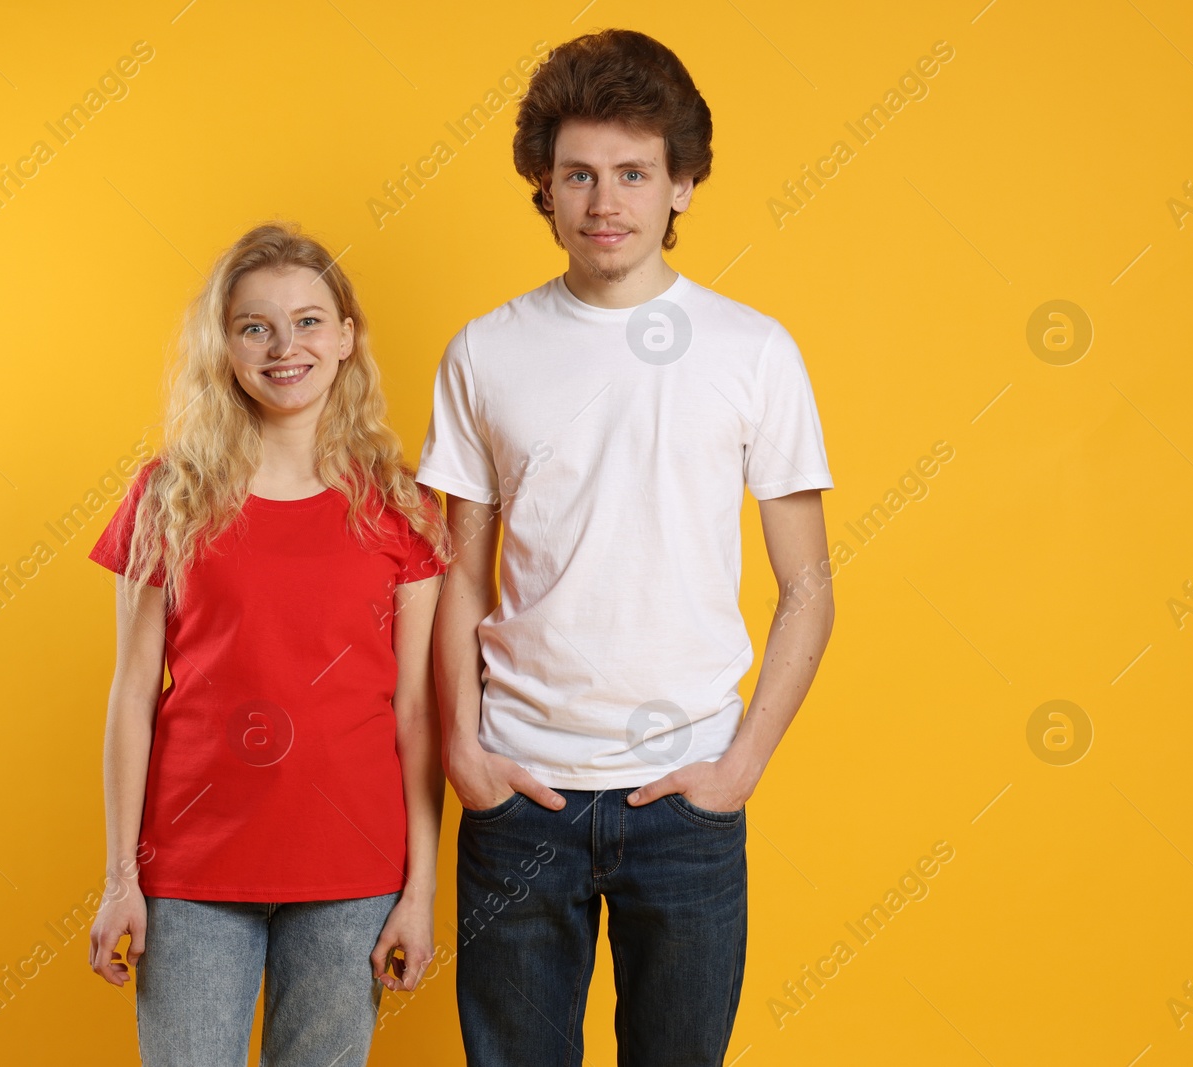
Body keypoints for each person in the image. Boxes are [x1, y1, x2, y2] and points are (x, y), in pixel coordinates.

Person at [415, 29, 837, 1067]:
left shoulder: (753, 351)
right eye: (579, 175)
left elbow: (809, 584)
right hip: (522, 798)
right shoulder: (485, 350)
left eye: (634, 173)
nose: (605, 200)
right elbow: (453, 571)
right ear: (545, 189)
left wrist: (740, 765)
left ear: (682, 184)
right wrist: (465, 749)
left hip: (683, 800)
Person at [85, 221, 450, 1067]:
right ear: (226, 347)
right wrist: (121, 879)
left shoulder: (401, 506)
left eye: (310, 320)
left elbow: (416, 711)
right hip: (192, 871)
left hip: (352, 872)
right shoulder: (168, 493)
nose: (286, 346)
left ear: (348, 336)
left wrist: (419, 891)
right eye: (256, 326)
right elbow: (133, 695)